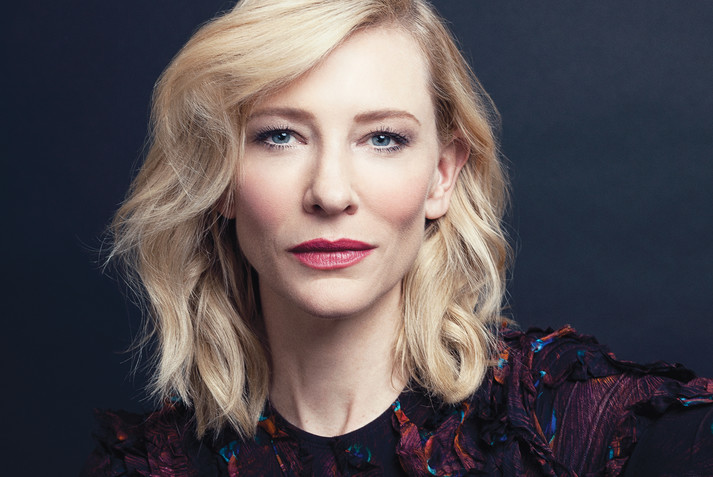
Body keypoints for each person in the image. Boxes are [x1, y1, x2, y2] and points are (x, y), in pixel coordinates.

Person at [82, 0, 713, 475]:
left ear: (442, 176)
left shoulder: (570, 424)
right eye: (280, 136)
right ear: (218, 179)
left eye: (382, 138)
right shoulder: (151, 465)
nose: (330, 192)